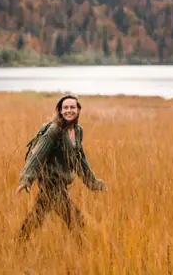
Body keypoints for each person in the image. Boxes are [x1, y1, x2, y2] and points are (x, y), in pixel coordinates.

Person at [16, 94, 106, 242]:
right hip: (51, 184)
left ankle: (19, 242)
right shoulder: (54, 130)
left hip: (61, 185)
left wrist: (93, 182)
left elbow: (80, 160)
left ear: (78, 110)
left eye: (72, 107)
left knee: (36, 218)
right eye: (65, 108)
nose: (69, 110)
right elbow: (37, 155)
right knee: (76, 221)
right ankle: (84, 253)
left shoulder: (78, 131)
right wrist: (26, 179)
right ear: (59, 110)